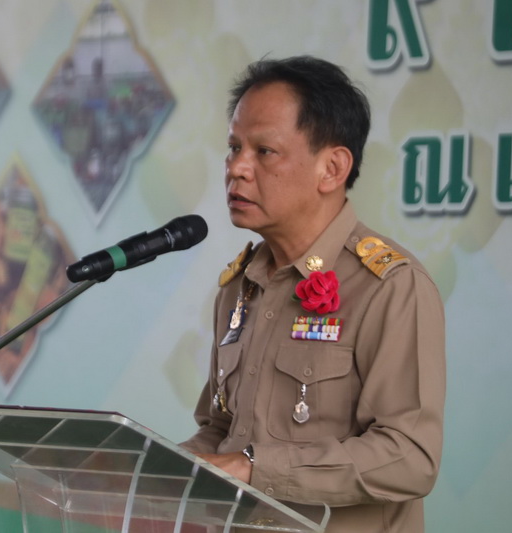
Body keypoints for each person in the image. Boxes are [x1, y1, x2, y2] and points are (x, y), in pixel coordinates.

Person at [180, 55, 446, 532]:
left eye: (264, 151)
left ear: (332, 168)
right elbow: (222, 430)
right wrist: (155, 467)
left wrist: (258, 469)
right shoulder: (240, 287)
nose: (237, 168)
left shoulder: (389, 286)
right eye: (234, 147)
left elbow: (409, 456)